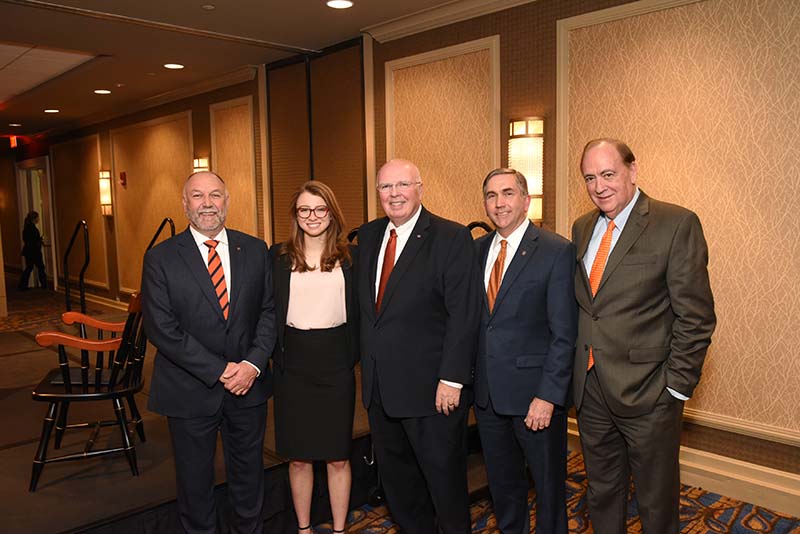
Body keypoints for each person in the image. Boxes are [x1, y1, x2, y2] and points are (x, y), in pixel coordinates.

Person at [572, 139, 716, 534]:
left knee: (656, 502)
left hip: (651, 393)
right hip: (591, 386)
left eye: (608, 174)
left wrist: (676, 389)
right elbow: (590, 306)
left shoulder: (676, 223)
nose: (599, 186)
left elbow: (696, 316)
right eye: (589, 177)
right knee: (601, 492)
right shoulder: (583, 226)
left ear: (632, 171)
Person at [142, 171, 276, 534]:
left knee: (249, 479)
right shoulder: (160, 258)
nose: (207, 204)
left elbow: (269, 313)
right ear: (185, 204)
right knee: (194, 485)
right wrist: (220, 370)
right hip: (188, 390)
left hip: (249, 388)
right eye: (198, 196)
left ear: (227, 201)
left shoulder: (255, 249)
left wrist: (251, 365)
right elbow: (162, 329)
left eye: (215, 195)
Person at [357, 158, 480, 534]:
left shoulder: (451, 237)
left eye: (402, 185)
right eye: (385, 188)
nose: (394, 194)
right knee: (399, 488)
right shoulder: (369, 235)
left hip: (432, 392)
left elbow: (464, 314)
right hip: (381, 390)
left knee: (445, 487)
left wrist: (453, 379)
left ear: (419, 189)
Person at [474, 169, 576, 534]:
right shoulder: (477, 249)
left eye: (507, 193)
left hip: (535, 399)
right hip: (488, 398)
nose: (499, 203)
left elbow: (565, 333)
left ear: (525, 200)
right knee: (504, 489)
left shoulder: (556, 250)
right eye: (490, 195)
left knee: (548, 492)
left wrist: (547, 396)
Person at [270, 181, 359, 534]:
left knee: (338, 456)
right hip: (292, 366)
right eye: (304, 210)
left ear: (331, 213)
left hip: (336, 364)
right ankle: (304, 529)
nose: (312, 217)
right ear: (295, 215)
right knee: (299, 456)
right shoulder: (277, 257)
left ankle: (339, 529)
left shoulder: (351, 258)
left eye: (320, 209)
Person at [18, 210, 47, 290]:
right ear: (34, 219)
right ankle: (44, 284)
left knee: (29, 268)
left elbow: (27, 240)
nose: (38, 219)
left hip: (28, 251)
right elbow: (34, 240)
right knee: (40, 267)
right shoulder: (33, 229)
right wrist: (40, 240)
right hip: (34, 251)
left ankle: (22, 285)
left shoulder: (26, 228)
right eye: (37, 217)